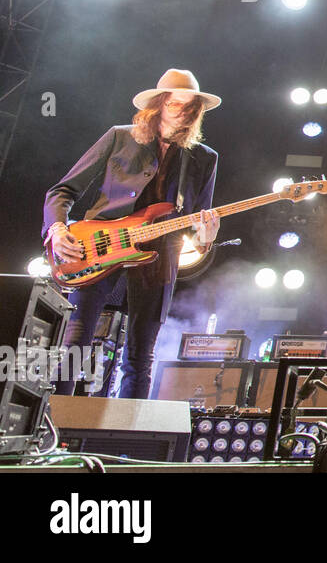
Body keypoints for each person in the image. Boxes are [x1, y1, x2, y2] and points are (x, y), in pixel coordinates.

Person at [45, 69, 221, 399]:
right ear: (158, 104)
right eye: (173, 103)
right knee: (73, 345)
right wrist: (57, 229)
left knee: (140, 357)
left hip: (156, 260)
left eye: (188, 106)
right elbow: (63, 190)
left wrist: (206, 236)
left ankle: (122, 444)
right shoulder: (120, 137)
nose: (179, 111)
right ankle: (49, 428)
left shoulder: (204, 158)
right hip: (96, 247)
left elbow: (195, 223)